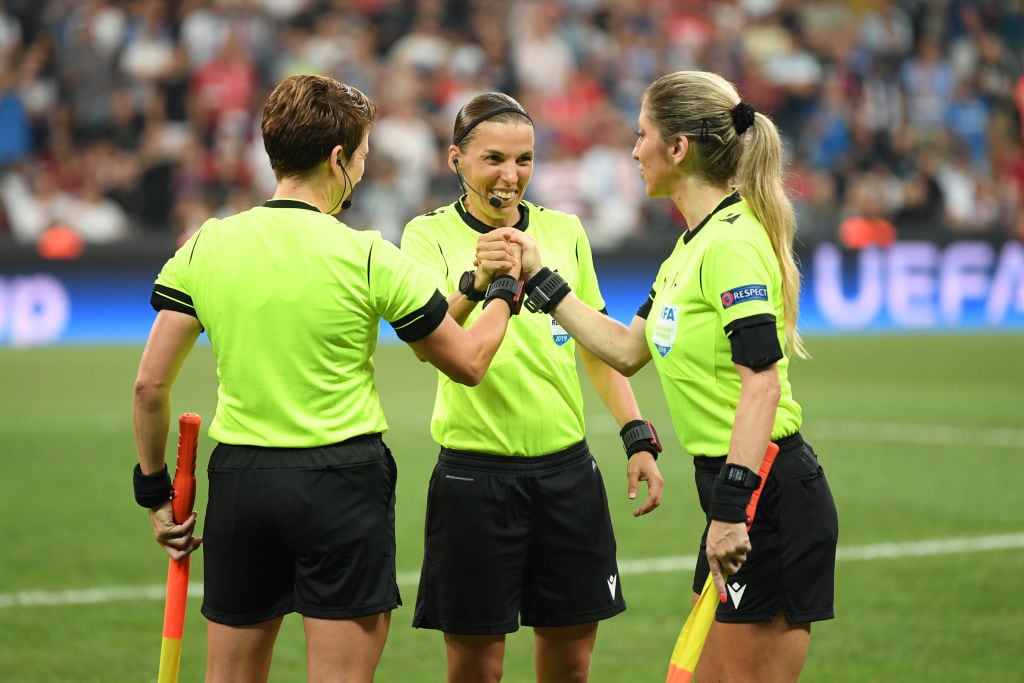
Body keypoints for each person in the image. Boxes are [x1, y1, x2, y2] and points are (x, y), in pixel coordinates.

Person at [131, 74, 523, 683]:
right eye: (362, 157)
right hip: (343, 482)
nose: (363, 171)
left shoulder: (207, 243)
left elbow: (149, 386)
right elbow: (468, 361)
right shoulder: (368, 253)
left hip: (243, 480)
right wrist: (504, 288)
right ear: (338, 158)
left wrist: (154, 492)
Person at [509, 71, 839, 682]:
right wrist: (542, 278)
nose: (634, 150)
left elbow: (761, 380)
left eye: (641, 135)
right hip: (735, 491)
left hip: (764, 493)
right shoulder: (690, 246)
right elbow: (627, 350)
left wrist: (733, 509)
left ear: (678, 147)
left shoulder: (731, 246)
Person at [399, 92, 664, 683]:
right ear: (455, 160)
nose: (509, 175)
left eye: (524, 159)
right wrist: (478, 279)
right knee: (475, 670)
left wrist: (636, 435)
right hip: (474, 477)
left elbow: (600, 348)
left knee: (570, 667)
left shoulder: (564, 231)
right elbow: (426, 343)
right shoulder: (425, 235)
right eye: (493, 158)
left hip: (567, 476)